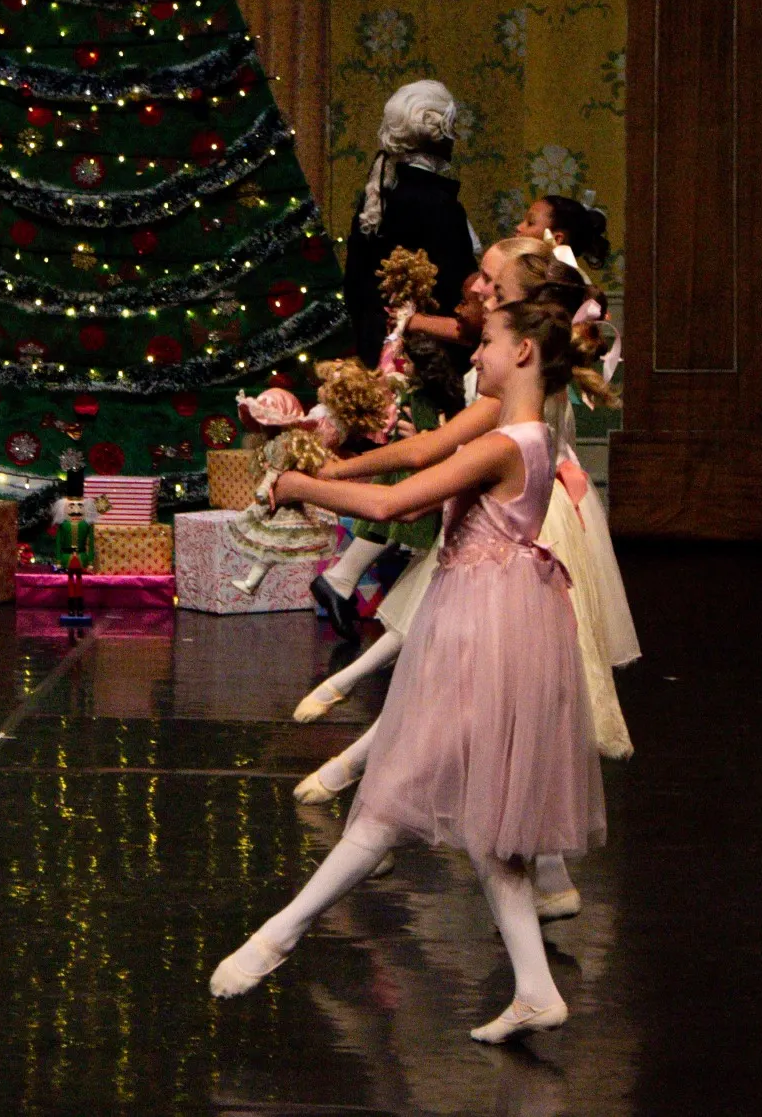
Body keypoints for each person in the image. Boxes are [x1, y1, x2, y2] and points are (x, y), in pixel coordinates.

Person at [212, 300, 607, 1043]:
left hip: (483, 632)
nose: (475, 357)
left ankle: (278, 934)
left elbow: (397, 501)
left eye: (486, 344)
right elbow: (417, 462)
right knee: (494, 831)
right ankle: (533, 988)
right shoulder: (524, 432)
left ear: (523, 353)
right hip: (489, 619)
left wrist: (305, 487)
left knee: (389, 800)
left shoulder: (507, 440)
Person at [319, 80, 480, 637]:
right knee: (429, 485)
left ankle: (352, 583)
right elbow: (467, 297)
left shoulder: (382, 190)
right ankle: (405, 613)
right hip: (425, 360)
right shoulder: (433, 203)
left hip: (388, 356)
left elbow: (356, 287)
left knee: (412, 480)